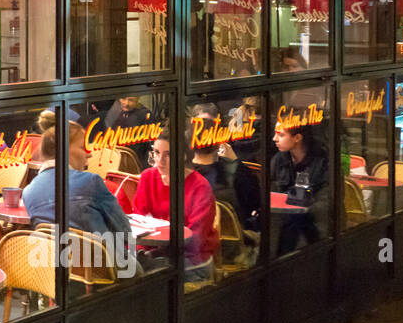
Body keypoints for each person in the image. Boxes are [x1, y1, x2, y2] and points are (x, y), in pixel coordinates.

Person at [22, 125, 134, 253]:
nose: (89, 154)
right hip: (107, 268)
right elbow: (125, 232)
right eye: (82, 147)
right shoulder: (90, 181)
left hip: (57, 268)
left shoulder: (28, 192)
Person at [132, 132, 219, 283]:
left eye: (168, 155)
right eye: (157, 153)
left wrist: (154, 252)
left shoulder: (200, 186)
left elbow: (195, 238)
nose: (159, 161)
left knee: (146, 281)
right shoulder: (147, 177)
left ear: (183, 156)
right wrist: (143, 253)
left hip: (190, 259)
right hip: (155, 255)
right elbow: (139, 223)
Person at [188, 103, 261, 231]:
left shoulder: (178, 173)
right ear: (219, 141)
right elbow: (256, 205)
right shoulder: (235, 173)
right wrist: (235, 162)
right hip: (230, 245)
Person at [270, 119, 330, 254]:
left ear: (297, 138)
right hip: (285, 222)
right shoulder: (279, 159)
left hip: (316, 224)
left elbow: (327, 201)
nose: (274, 139)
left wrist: (302, 208)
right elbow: (272, 191)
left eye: (280, 135)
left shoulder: (322, 161)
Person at [104, 95, 153, 166]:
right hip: (115, 158)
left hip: (137, 161)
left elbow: (148, 146)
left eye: (131, 100)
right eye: (123, 98)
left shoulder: (145, 115)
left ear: (137, 99)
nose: (126, 103)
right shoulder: (114, 112)